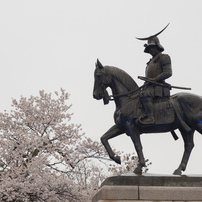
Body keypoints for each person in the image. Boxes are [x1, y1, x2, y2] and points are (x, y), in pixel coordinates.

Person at [138, 36, 172, 124]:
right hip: (149, 86)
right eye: (149, 48)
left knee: (145, 94)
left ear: (157, 46)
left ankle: (151, 117)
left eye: (152, 47)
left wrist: (155, 79)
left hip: (159, 87)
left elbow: (168, 72)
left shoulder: (164, 57)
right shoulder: (150, 62)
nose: (151, 50)